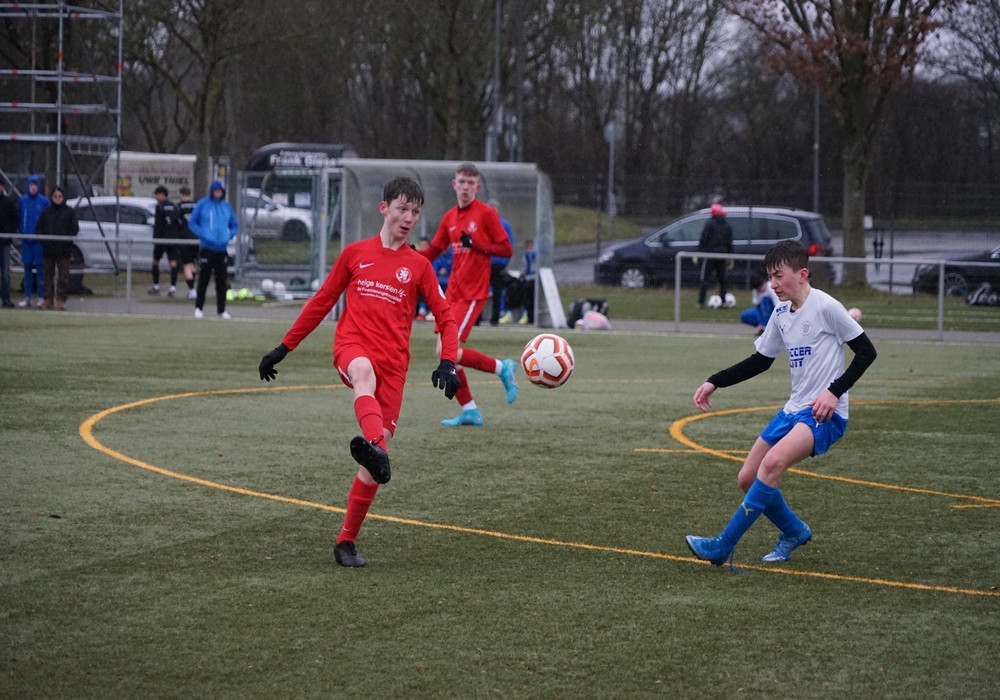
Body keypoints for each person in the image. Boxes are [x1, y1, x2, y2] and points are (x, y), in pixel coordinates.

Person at [258, 177, 460, 568]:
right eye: (402, 209)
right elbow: (321, 302)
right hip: (353, 349)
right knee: (363, 374)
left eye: (415, 212)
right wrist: (284, 347)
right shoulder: (355, 254)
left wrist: (448, 361)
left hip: (395, 367)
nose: (409, 218)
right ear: (384, 208)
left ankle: (345, 542)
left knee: (371, 468)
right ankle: (375, 447)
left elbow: (447, 318)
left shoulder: (419, 266)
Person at [686, 239, 877, 567]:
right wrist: (715, 380)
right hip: (793, 410)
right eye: (770, 277)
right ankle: (794, 531)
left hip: (823, 414)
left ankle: (722, 546)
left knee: (772, 463)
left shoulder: (826, 306)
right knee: (747, 478)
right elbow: (760, 361)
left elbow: (866, 352)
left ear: (802, 274)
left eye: (778, 276)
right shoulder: (780, 314)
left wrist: (834, 391)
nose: (772, 284)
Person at [418, 162, 517, 426]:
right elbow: (434, 251)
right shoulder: (450, 217)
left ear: (477, 187)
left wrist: (477, 245)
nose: (465, 187)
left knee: (446, 352)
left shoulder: (486, 214)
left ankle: (501, 369)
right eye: (461, 182)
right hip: (452, 293)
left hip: (473, 293)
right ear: (454, 184)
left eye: (470, 183)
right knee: (445, 353)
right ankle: (472, 408)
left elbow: (506, 249)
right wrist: (408, 255)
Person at [188, 180, 238, 319]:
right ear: (212, 191)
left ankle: (221, 310)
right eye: (216, 191)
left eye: (220, 191)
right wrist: (203, 234)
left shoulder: (226, 206)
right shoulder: (203, 204)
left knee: (221, 282)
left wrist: (228, 236)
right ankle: (198, 308)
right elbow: (192, 223)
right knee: (203, 280)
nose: (218, 193)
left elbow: (234, 224)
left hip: (221, 250)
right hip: (207, 249)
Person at [34, 187, 79, 310]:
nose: (57, 198)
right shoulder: (46, 212)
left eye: (60, 196)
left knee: (63, 277)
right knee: (48, 277)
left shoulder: (69, 212)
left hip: (64, 251)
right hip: (48, 250)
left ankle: (61, 300)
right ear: (52, 197)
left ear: (63, 198)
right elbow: (39, 227)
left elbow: (74, 228)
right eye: (55, 196)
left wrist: (67, 241)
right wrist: (44, 241)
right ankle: (48, 300)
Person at [18, 174, 49, 308]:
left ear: (38, 186)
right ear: (28, 186)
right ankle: (27, 297)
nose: (33, 188)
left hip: (39, 242)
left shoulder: (44, 201)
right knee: (27, 269)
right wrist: (22, 232)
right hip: (27, 241)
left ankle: (41, 297)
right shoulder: (23, 200)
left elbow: (47, 219)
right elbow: (20, 218)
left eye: (35, 185)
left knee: (41, 269)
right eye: (31, 185)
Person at [696, 202, 733, 308]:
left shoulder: (709, 223)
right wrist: (730, 256)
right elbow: (729, 242)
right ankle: (723, 301)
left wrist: (699, 252)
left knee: (705, 279)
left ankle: (701, 302)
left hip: (710, 255)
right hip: (722, 256)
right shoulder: (727, 225)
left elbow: (704, 239)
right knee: (722, 279)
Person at [486, 199, 515, 326]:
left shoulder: (504, 225)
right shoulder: (483, 224)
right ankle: (476, 319)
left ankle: (495, 318)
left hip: (497, 265)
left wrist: (503, 262)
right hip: (484, 264)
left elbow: (509, 244)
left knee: (497, 292)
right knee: (480, 292)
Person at [149, 185, 180, 296]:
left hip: (161, 238)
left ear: (162, 194)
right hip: (172, 239)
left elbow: (158, 224)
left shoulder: (160, 207)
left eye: (157, 194)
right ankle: (173, 288)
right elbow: (177, 222)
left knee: (155, 261)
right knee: (173, 262)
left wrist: (155, 238)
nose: (156, 197)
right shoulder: (174, 206)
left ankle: (156, 286)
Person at [500, 238, 536, 325]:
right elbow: (523, 269)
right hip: (525, 279)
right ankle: (509, 313)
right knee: (512, 288)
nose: (529, 248)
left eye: (531, 245)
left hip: (533, 280)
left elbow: (534, 269)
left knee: (528, 290)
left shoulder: (536, 255)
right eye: (528, 246)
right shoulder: (526, 255)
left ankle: (527, 314)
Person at [175, 186, 199, 299]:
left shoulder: (178, 206)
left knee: (186, 265)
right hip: (196, 238)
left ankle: (192, 290)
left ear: (181, 194)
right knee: (192, 264)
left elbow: (176, 222)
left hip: (184, 238)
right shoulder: (196, 206)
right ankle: (193, 289)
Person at [739, 270, 779, 335]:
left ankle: (767, 328)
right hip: (763, 313)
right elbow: (758, 308)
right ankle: (762, 327)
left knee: (765, 301)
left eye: (760, 288)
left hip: (772, 311)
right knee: (745, 316)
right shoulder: (756, 291)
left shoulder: (771, 288)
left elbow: (777, 306)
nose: (759, 290)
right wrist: (760, 323)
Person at [0, 179, 18, 308]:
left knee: (5, 272)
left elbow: (14, 219)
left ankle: (6, 298)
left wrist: (9, 233)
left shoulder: (8, 202)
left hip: (5, 243)